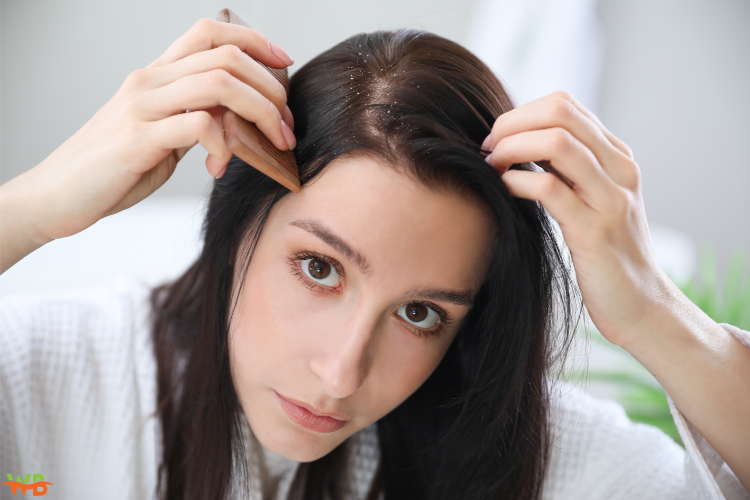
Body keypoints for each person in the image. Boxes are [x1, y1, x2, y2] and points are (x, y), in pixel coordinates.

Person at [0, 18, 748, 500]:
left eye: (420, 313)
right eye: (320, 268)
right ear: (239, 229)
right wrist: (27, 209)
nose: (340, 374)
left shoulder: (511, 451)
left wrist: (657, 315)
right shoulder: (49, 370)